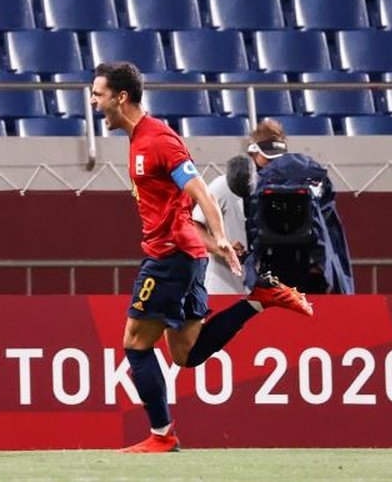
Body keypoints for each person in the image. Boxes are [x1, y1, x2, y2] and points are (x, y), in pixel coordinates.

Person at [89, 62, 313, 454]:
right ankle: (260, 300)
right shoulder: (140, 139)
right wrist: (212, 244)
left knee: (136, 345)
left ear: (120, 97)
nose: (93, 102)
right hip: (186, 254)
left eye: (98, 94)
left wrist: (222, 238)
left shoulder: (158, 140)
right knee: (186, 353)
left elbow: (201, 193)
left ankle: (162, 435)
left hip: (169, 258)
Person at [244, 119, 355, 295]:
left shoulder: (260, 180)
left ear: (258, 152)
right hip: (316, 261)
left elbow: (253, 225)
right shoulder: (312, 170)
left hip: (273, 265)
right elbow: (328, 211)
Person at [191, 155, 255, 295]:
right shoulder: (220, 186)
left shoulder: (270, 187)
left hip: (260, 282)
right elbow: (194, 227)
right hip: (223, 284)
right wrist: (222, 248)